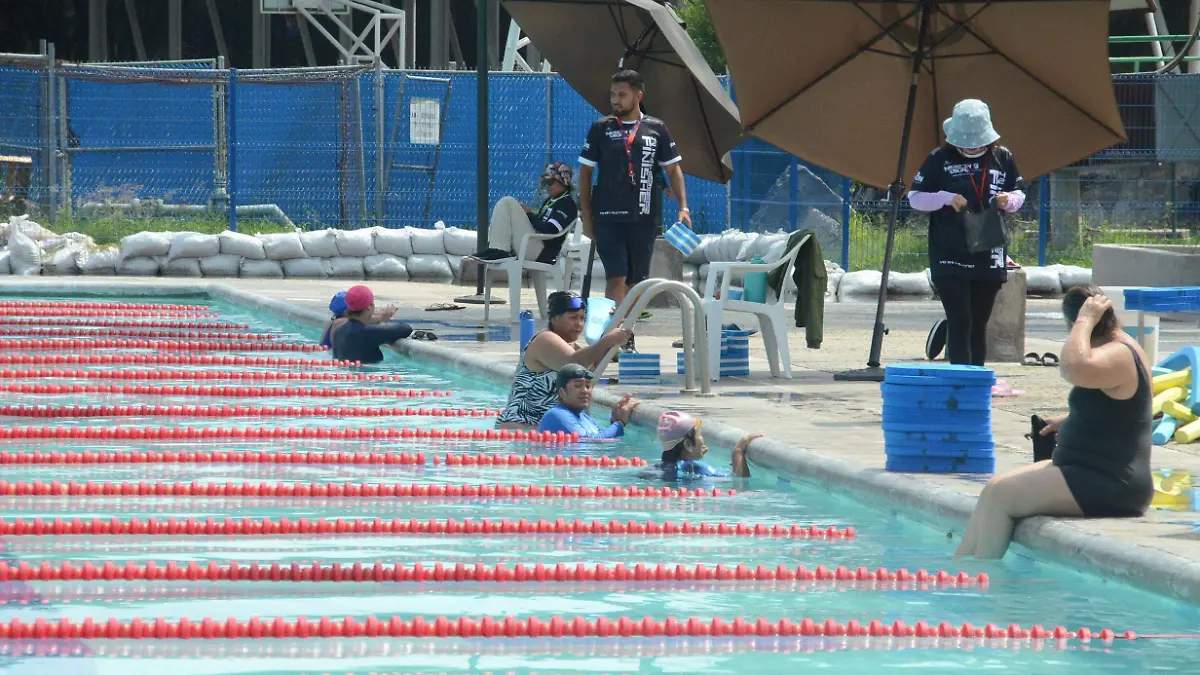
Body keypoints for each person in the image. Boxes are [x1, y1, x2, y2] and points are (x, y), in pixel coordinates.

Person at [955, 285, 1153, 560]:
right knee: (992, 488)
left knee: (1001, 498)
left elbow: (1072, 367)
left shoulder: (1119, 353)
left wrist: (1083, 322)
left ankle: (984, 575)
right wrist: (1072, 420)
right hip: (1088, 469)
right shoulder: (1113, 349)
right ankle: (960, 566)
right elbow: (1122, 408)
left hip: (1111, 481)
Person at [908, 99, 1026, 366]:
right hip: (949, 250)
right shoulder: (939, 158)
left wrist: (1009, 200)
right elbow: (915, 198)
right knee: (960, 318)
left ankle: (975, 377)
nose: (972, 147)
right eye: (966, 143)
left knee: (979, 322)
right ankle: (959, 376)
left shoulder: (1003, 157)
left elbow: (1019, 194)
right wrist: (946, 198)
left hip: (989, 249)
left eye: (978, 143)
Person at [578, 69, 691, 313]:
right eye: (613, 95)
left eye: (622, 95)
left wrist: (683, 206)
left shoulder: (656, 128)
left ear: (638, 96)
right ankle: (612, 330)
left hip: (643, 218)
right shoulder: (601, 128)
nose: (615, 100)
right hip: (607, 218)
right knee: (616, 277)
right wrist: (587, 217)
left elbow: (673, 169)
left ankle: (626, 329)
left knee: (635, 281)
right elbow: (585, 173)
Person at [497, 290, 633, 431]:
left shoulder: (576, 349)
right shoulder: (544, 339)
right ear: (554, 318)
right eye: (573, 318)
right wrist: (608, 339)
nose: (579, 324)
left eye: (583, 318)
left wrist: (611, 327)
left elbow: (594, 368)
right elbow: (573, 364)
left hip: (549, 430)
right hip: (520, 429)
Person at [473, 162, 579, 263]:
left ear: (563, 181)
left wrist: (530, 215)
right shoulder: (551, 200)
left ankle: (500, 251)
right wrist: (528, 215)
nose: (547, 185)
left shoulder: (567, 204)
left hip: (542, 251)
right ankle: (496, 249)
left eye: (550, 182)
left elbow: (550, 230)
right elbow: (542, 225)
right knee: (506, 204)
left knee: (508, 202)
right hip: (535, 244)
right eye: (545, 182)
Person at [640, 411, 763, 481]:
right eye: (700, 435)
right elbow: (738, 480)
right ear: (688, 444)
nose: (702, 440)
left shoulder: (657, 468)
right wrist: (738, 452)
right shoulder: (697, 467)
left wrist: (693, 455)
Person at [538, 364, 640, 439]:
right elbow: (590, 441)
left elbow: (601, 437)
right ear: (562, 392)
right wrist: (620, 423)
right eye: (578, 385)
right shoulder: (556, 414)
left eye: (588, 386)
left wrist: (614, 421)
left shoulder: (585, 418)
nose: (585, 391)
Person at [329, 285, 417, 364]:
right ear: (369, 306)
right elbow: (406, 329)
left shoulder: (339, 330)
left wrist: (381, 318)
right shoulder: (368, 332)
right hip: (367, 375)